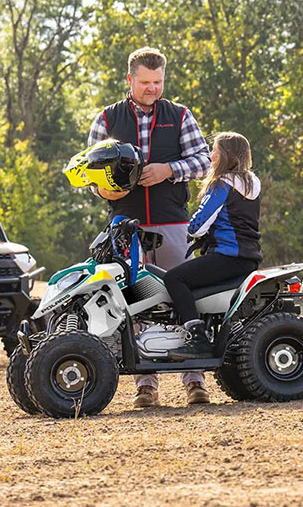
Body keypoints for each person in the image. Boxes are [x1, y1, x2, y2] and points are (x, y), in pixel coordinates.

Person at [87, 46, 211, 407]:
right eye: (145, 82)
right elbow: (88, 172)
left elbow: (204, 161)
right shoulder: (107, 120)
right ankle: (146, 386)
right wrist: (100, 188)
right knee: (135, 303)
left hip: (174, 223)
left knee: (187, 299)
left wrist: (169, 170)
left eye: (158, 82)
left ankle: (195, 382)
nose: (152, 89)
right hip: (125, 225)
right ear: (130, 80)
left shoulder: (181, 115)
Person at [163, 132, 262, 360]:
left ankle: (198, 340)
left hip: (227, 257)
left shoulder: (221, 184)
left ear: (226, 155)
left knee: (174, 279)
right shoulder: (252, 182)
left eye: (215, 151)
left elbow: (197, 226)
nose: (211, 155)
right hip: (249, 258)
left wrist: (190, 229)